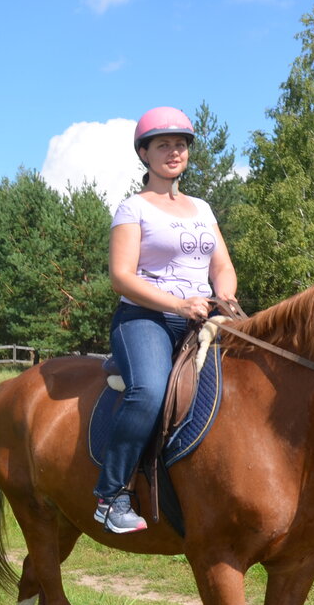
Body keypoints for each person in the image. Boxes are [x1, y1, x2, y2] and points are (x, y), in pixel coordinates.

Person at [92, 106, 240, 534]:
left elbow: (222, 265)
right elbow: (121, 277)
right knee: (149, 390)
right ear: (144, 154)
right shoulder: (132, 209)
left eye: (180, 144)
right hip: (145, 319)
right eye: (163, 145)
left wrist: (223, 295)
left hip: (203, 318)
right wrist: (177, 306)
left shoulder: (202, 208)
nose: (174, 152)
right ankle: (111, 495)